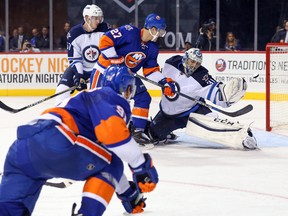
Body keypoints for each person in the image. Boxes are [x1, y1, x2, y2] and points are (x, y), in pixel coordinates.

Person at [0, 65, 158, 216]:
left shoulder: (83, 100)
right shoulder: (108, 96)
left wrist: (129, 194)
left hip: (22, 149)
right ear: (127, 88)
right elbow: (111, 137)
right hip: (58, 139)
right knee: (112, 162)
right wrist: (140, 165)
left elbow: (104, 160)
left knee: (9, 209)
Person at [142, 48, 257, 150]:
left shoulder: (201, 76)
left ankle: (243, 135)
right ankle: (164, 131)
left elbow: (219, 96)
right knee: (152, 134)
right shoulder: (171, 63)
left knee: (212, 125)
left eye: (197, 64)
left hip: (193, 111)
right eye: (192, 61)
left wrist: (228, 94)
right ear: (185, 59)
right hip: (168, 116)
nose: (194, 66)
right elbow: (155, 73)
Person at [90, 13, 176, 144]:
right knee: (97, 100)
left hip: (127, 76)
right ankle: (93, 131)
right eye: (160, 31)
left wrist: (164, 81)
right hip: (105, 72)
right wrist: (114, 59)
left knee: (143, 97)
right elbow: (105, 40)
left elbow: (150, 70)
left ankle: (138, 131)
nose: (161, 35)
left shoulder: (152, 48)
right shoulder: (129, 31)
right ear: (153, 29)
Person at [54, 4, 111, 106]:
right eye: (95, 18)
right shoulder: (74, 33)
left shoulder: (105, 29)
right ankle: (61, 114)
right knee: (61, 89)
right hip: (81, 69)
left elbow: (111, 49)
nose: (98, 21)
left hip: (100, 69)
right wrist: (79, 75)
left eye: (99, 18)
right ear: (87, 18)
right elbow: (75, 59)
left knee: (102, 96)